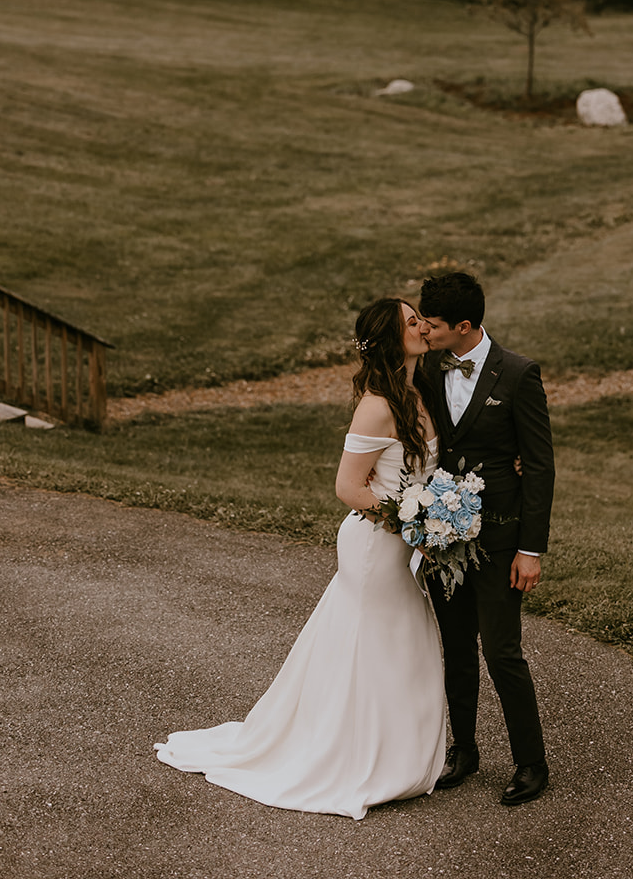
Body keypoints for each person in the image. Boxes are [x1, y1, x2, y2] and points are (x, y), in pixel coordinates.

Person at [154, 298, 447, 820]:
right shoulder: (378, 404)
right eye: (410, 322)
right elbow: (347, 487)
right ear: (388, 338)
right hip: (375, 546)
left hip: (404, 540)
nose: (422, 326)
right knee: (375, 643)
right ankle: (356, 758)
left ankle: (399, 755)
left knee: (402, 639)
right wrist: (412, 521)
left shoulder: (417, 393)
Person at [417, 270, 555, 808]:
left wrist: (531, 548)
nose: (425, 332)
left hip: (501, 541)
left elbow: (539, 465)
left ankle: (531, 762)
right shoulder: (425, 368)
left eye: (432, 325)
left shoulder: (518, 374)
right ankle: (464, 750)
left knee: (502, 652)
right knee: (456, 650)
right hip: (441, 537)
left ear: (464, 326)